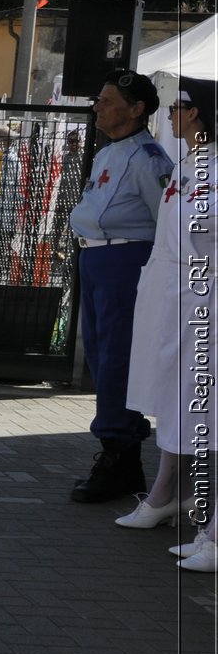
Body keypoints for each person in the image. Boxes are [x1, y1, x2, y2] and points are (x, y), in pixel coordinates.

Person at [119, 78, 216, 573]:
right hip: (170, 293)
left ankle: (212, 529)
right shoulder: (188, 163)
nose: (170, 115)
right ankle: (168, 496)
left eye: (178, 107)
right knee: (177, 399)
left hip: (206, 299)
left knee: (206, 406)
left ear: (197, 113)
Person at [67, 71, 172, 503]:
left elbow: (164, 224)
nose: (98, 107)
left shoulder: (150, 159)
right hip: (95, 257)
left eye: (108, 101)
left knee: (116, 358)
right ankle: (121, 457)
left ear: (137, 109)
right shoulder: (108, 153)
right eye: (100, 99)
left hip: (126, 259)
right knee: (100, 353)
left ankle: (118, 453)